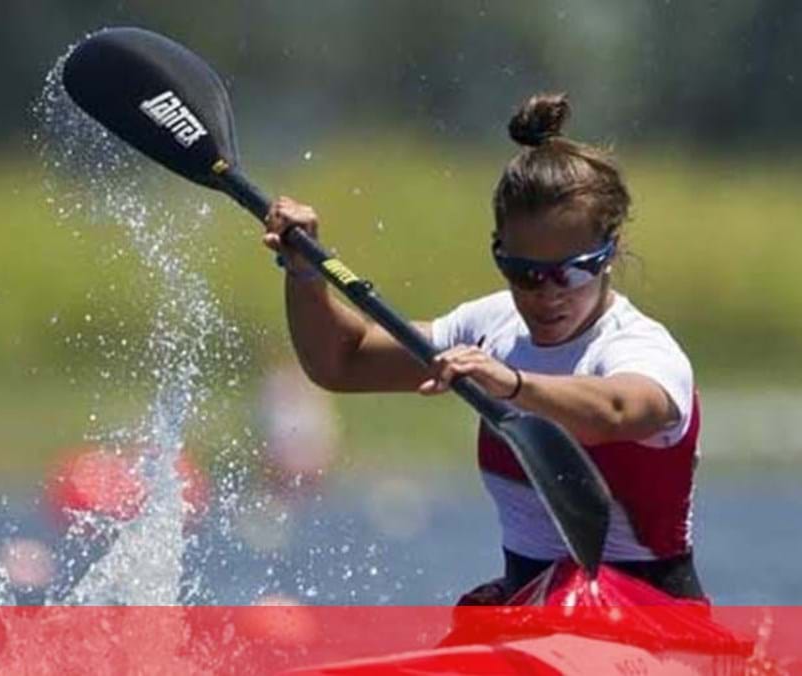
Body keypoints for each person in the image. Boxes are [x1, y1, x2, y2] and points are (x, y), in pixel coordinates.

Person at [261, 93, 705, 603]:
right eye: (524, 273)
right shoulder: (488, 327)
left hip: (652, 615)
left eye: (572, 269)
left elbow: (617, 410)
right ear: (500, 252)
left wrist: (513, 384)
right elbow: (342, 360)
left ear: (611, 250)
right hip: (532, 604)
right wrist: (303, 274)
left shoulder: (640, 348)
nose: (548, 293)